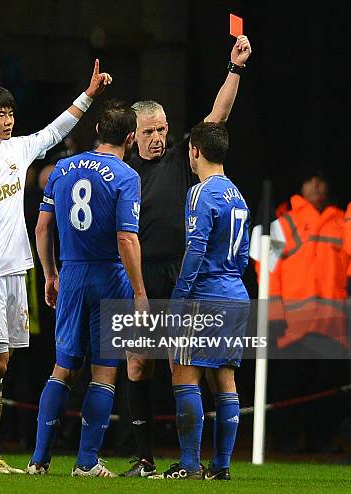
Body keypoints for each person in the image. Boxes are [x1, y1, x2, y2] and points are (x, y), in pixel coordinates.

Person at [0, 60, 113, 473]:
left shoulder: (19, 150)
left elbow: (56, 129)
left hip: (18, 272)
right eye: (0, 114)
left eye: (11, 113)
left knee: (4, 363)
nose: (8, 121)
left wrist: (89, 95)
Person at [122, 34, 252, 477]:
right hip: (143, 275)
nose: (159, 137)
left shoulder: (185, 161)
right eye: (150, 131)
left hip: (184, 275)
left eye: (163, 129)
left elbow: (218, 117)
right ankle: (146, 459)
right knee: (139, 364)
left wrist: (234, 69)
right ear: (132, 135)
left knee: (185, 369)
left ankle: (193, 462)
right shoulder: (122, 171)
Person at [27, 101, 146, 477]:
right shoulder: (127, 177)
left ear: (97, 128)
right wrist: (140, 291)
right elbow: (126, 239)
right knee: (104, 372)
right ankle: (86, 461)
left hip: (72, 273)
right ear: (130, 137)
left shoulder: (62, 168)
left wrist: (50, 273)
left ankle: (38, 461)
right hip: (109, 277)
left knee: (62, 367)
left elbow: (42, 228)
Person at [155, 122, 249, 480]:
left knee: (184, 374)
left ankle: (191, 465)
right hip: (234, 293)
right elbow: (241, 255)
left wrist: (179, 296)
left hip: (203, 294)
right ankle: (221, 466)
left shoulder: (200, 192)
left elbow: (195, 250)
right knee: (224, 380)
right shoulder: (237, 195)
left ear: (195, 151)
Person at [264, 172, 348, 453]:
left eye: (321, 180)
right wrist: (274, 314)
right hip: (292, 325)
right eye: (309, 180)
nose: (315, 185)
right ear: (300, 185)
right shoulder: (285, 222)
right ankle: (283, 442)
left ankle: (321, 441)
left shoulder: (342, 223)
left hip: (332, 325)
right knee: (288, 385)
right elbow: (267, 269)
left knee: (326, 389)